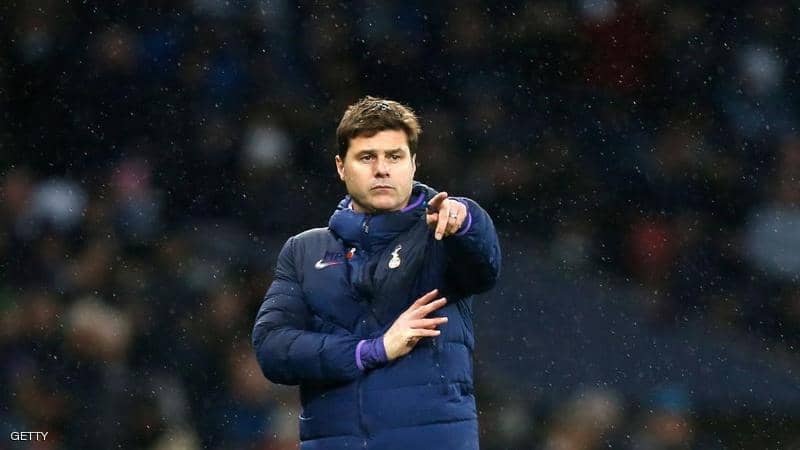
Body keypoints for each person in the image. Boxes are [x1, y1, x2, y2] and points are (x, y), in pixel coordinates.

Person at [252, 96, 501, 450]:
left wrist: (466, 220)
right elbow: (272, 348)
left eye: (394, 156)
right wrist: (371, 350)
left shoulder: (443, 232)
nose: (382, 169)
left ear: (414, 164)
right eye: (367, 157)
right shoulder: (304, 251)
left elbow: (485, 266)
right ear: (341, 167)